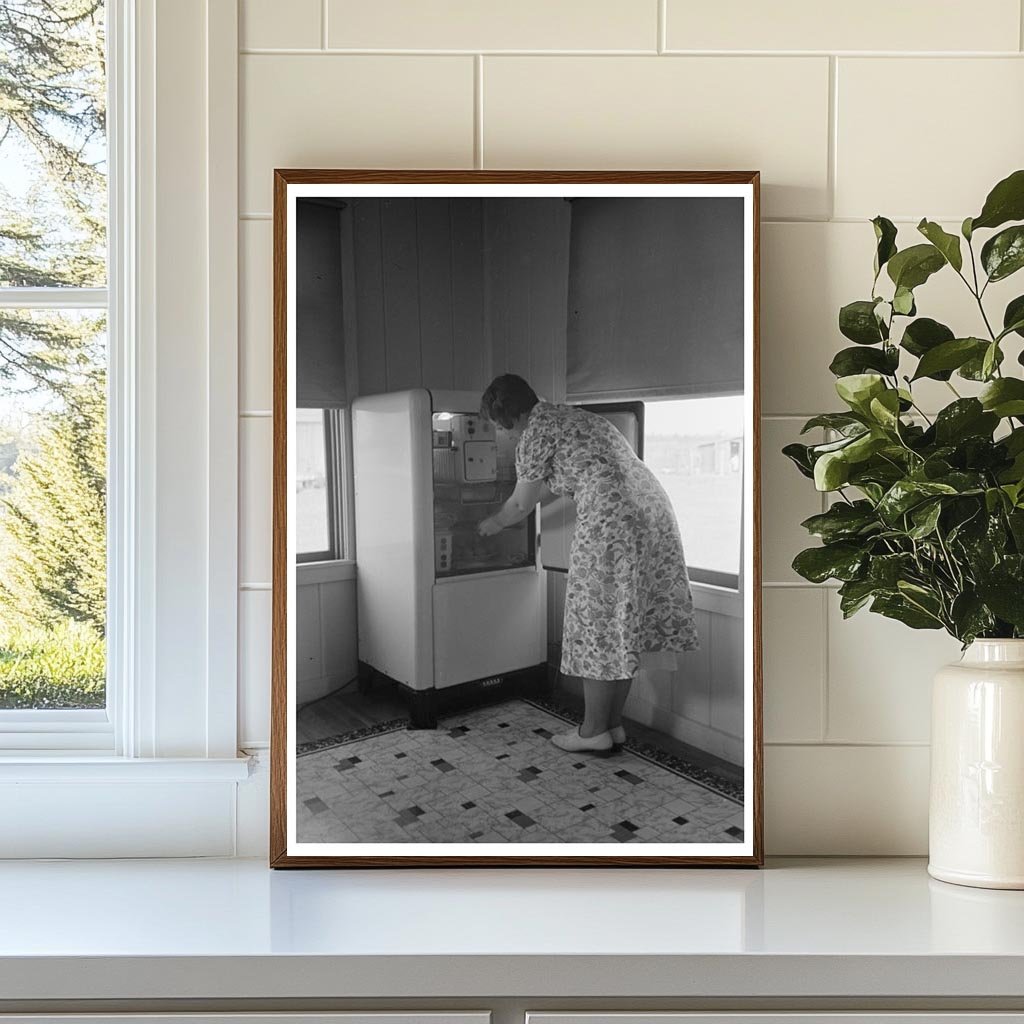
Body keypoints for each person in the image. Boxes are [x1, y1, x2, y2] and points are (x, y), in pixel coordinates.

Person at [477, 374, 699, 755]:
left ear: (508, 417)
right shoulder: (578, 419)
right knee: (621, 625)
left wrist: (489, 524)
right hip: (653, 510)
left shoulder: (534, 434)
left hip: (611, 522)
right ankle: (611, 726)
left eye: (501, 426)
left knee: (597, 624)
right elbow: (561, 480)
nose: (505, 434)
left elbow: (519, 504)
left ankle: (591, 730)